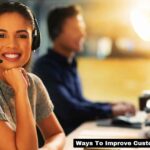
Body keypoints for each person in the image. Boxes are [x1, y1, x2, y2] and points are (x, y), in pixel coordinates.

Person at [33, 5, 136, 135]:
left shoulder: (70, 63)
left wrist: (111, 105)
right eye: (76, 29)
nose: (83, 34)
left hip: (74, 135)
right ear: (56, 32)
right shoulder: (45, 68)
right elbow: (69, 110)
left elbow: (79, 102)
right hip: (59, 142)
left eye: (82, 29)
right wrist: (112, 111)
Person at [0, 1, 65, 150]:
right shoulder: (24, 86)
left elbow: (56, 134)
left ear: (34, 42)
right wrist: (21, 91)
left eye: (22, 36)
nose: (12, 44)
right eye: (1, 35)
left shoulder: (33, 83)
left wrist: (49, 148)